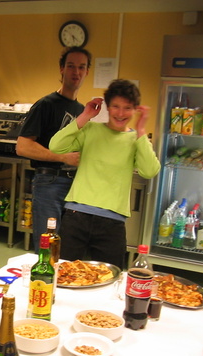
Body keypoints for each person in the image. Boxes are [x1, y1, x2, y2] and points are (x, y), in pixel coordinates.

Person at [49, 79, 160, 268]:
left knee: (111, 277)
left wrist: (141, 130)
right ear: (107, 107)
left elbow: (150, 171)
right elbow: (56, 146)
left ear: (135, 110)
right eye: (115, 106)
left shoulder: (136, 139)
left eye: (127, 108)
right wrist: (85, 116)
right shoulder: (90, 129)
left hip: (112, 222)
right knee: (63, 272)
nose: (120, 113)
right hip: (77, 216)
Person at [16, 46, 92, 253]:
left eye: (81, 67)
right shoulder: (46, 105)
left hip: (74, 185)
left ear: (87, 72)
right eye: (70, 66)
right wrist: (62, 157)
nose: (75, 72)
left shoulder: (82, 111)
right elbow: (22, 146)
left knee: (68, 247)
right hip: (49, 183)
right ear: (61, 69)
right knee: (47, 247)